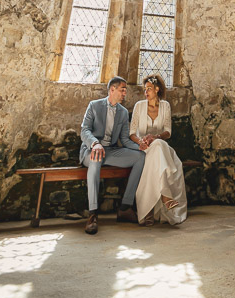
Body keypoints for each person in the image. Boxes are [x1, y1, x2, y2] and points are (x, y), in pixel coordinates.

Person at [80, 75, 145, 234]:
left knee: (140, 157)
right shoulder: (94, 106)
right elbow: (85, 130)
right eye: (122, 90)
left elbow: (124, 139)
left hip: (111, 151)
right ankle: (93, 214)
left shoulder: (123, 112)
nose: (125, 93)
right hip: (91, 150)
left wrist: (141, 146)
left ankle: (125, 207)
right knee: (96, 159)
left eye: (125, 91)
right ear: (112, 89)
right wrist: (95, 144)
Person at [130, 73, 187, 226]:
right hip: (143, 148)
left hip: (159, 146)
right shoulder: (139, 106)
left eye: (148, 89)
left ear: (156, 89)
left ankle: (148, 211)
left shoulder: (165, 106)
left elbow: (168, 132)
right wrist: (141, 141)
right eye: (144, 89)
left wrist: (155, 137)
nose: (145, 92)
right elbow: (132, 133)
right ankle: (165, 196)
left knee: (158, 145)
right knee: (156, 150)